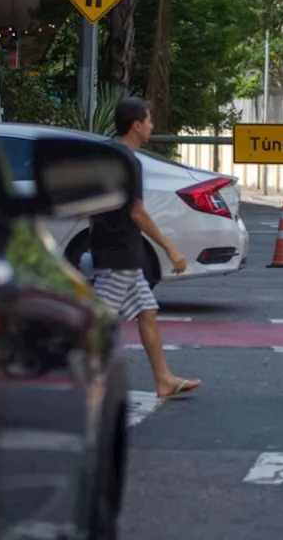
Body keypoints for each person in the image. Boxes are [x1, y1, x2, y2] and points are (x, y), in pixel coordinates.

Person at [90, 97, 201, 399]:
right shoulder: (129, 161)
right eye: (149, 120)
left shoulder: (108, 154)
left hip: (116, 247)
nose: (152, 125)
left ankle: (163, 379)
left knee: (147, 311)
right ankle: (80, 383)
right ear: (136, 125)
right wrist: (170, 249)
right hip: (119, 253)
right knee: (99, 324)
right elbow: (137, 211)